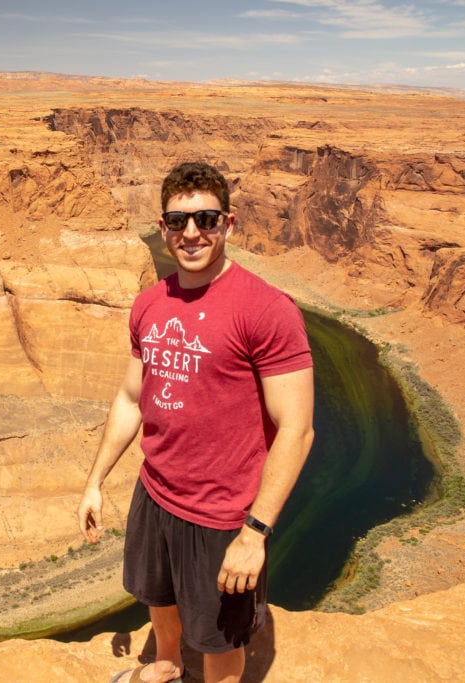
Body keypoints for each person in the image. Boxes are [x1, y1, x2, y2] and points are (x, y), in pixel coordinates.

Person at [77, 161, 315, 683]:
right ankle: (166, 665)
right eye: (179, 222)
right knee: (157, 598)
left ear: (227, 224)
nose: (192, 234)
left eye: (206, 220)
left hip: (222, 515)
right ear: (162, 229)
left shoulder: (267, 310)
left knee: (218, 638)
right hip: (155, 493)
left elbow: (297, 430)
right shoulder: (149, 304)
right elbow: (131, 398)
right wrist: (95, 482)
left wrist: (254, 534)